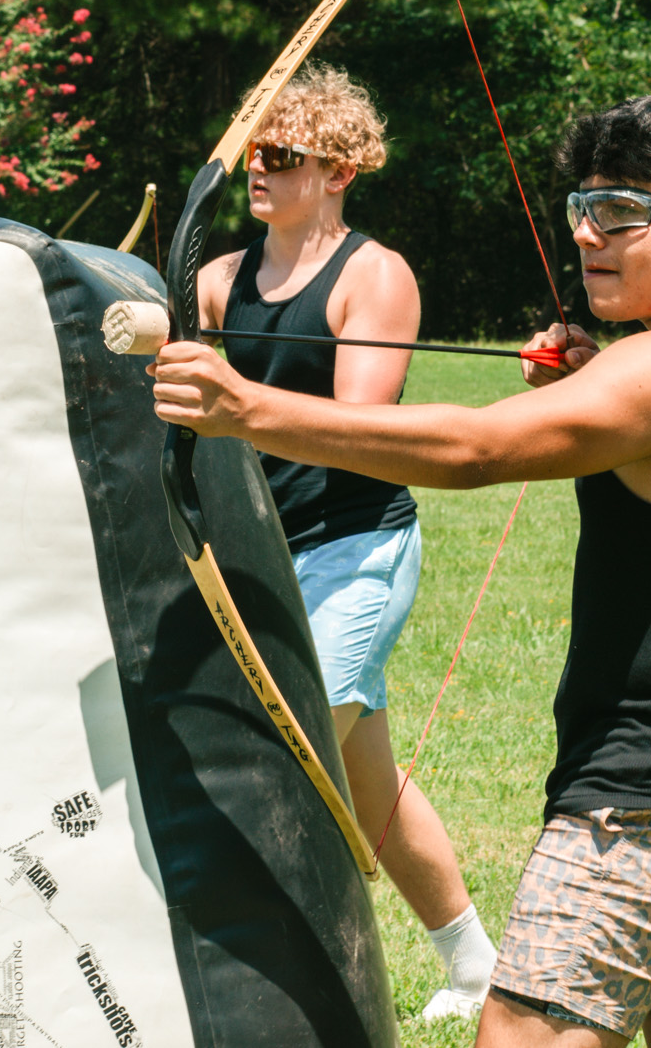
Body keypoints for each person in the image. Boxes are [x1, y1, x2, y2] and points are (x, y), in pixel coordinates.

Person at [154, 85, 651, 1048]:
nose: (591, 234)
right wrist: (599, 377)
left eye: (624, 212)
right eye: (583, 209)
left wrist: (244, 407)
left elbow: (475, 448)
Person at [197, 62, 498, 1022]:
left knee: (298, 745)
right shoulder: (214, 281)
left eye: (284, 156)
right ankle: (476, 964)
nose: (261, 170)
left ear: (340, 172)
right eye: (254, 153)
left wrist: (235, 404)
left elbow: (359, 429)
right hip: (251, 550)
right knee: (365, 778)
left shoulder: (374, 276)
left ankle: (278, 981)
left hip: (352, 545)